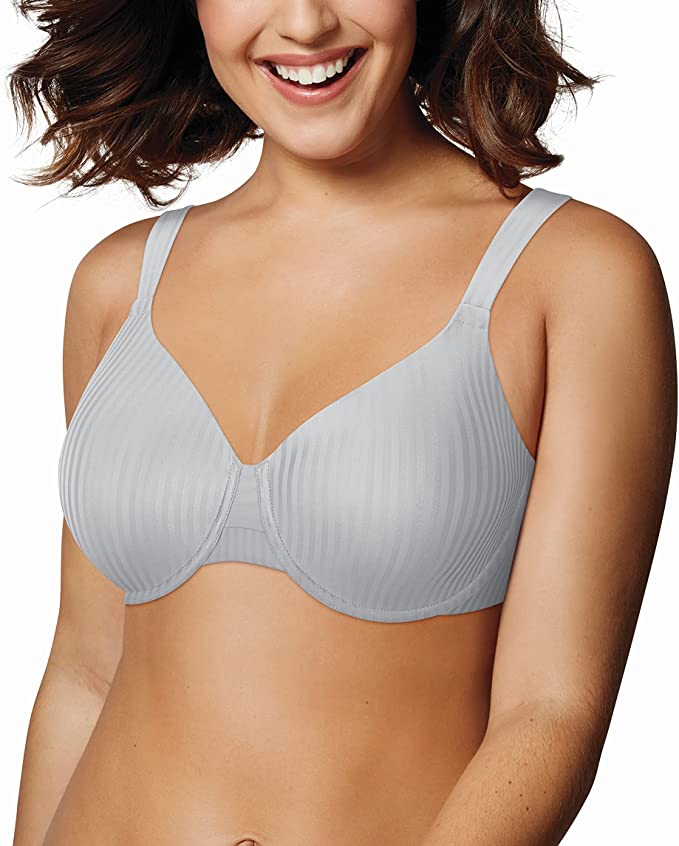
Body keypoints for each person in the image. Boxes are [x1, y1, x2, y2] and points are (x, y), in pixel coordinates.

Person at [9, 1, 675, 845]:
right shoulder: (117, 284)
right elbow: (84, 672)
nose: (304, 23)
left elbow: (548, 709)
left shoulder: (571, 274)